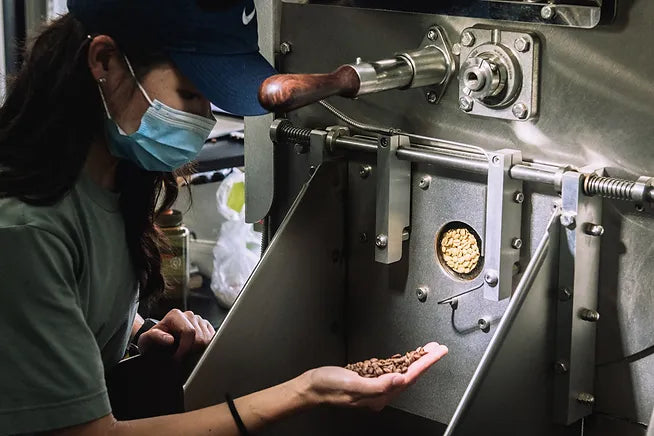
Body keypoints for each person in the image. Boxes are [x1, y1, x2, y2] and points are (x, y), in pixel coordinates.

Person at [0, 1, 449, 434]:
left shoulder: (114, 176)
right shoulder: (25, 227)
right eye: (192, 93)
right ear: (105, 61)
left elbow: (64, 306)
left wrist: (138, 330)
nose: (203, 120)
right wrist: (304, 393)